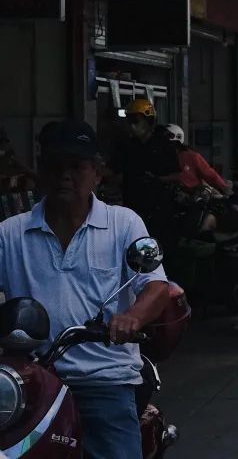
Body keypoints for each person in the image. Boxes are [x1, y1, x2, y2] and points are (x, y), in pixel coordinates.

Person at [0, 119, 170, 458]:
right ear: (40, 170)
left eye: (76, 167)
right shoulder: (10, 233)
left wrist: (132, 318)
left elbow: (156, 286)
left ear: (97, 172)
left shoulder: (123, 223)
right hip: (31, 379)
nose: (65, 175)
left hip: (103, 378)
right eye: (55, 166)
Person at [108, 99, 181, 250]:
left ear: (148, 121)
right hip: (133, 209)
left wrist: (158, 180)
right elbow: (113, 171)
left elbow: (177, 175)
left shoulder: (163, 145)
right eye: (129, 121)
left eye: (136, 121)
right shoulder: (127, 146)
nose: (132, 125)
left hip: (160, 212)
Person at [163, 124, 228, 194]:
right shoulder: (160, 156)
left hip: (191, 197)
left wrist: (223, 188)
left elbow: (209, 174)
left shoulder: (191, 156)